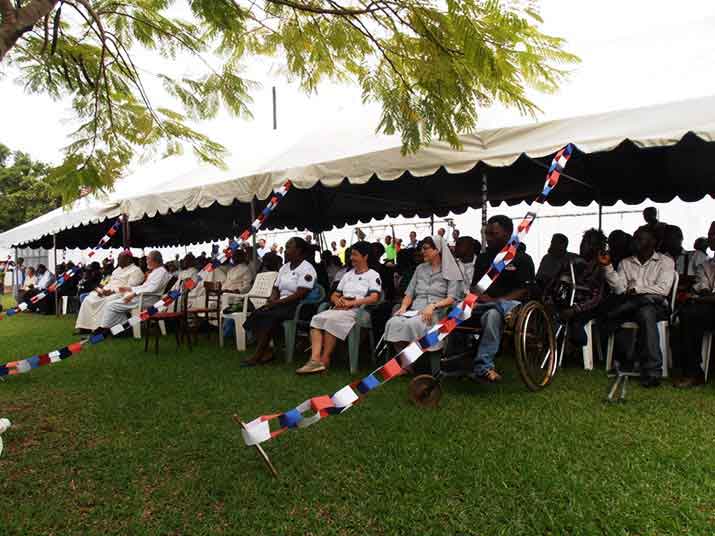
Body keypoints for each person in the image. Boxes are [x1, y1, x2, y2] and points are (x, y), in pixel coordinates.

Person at [601, 227, 675, 387]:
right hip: (633, 306)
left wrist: (637, 290)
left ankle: (619, 312)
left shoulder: (665, 262)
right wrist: (607, 267)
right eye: (635, 238)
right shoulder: (625, 263)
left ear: (653, 242)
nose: (635, 241)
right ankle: (653, 371)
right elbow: (620, 289)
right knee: (643, 309)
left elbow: (663, 290)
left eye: (640, 238)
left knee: (646, 308)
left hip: (657, 306)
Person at [296, 241, 381, 374]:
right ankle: (314, 359)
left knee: (331, 321)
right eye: (351, 254)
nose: (351, 257)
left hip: (358, 311)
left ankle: (324, 359)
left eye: (355, 254)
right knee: (316, 319)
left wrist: (352, 303)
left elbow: (374, 297)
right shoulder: (347, 275)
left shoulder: (373, 275)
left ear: (365, 257)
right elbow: (334, 294)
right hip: (340, 309)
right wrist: (337, 300)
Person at [466, 215, 532, 383]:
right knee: (457, 310)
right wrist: (486, 299)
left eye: (493, 234)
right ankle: (450, 361)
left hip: (514, 306)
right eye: (486, 233)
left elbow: (524, 289)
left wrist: (498, 301)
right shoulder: (483, 258)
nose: (488, 238)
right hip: (486, 303)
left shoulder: (522, 258)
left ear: (508, 233)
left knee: (493, 315)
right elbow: (475, 287)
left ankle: (484, 367)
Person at [241, 237, 317, 366]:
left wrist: (276, 303)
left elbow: (300, 293)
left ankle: (257, 355)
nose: (285, 251)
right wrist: (272, 299)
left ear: (298, 251)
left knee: (269, 316)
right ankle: (268, 351)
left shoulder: (307, 269)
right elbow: (276, 287)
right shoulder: (284, 267)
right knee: (258, 313)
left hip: (298, 306)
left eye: (288, 247)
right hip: (281, 304)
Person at [383, 236, 461, 353]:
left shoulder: (451, 269)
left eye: (425, 248)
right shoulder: (420, 268)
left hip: (438, 312)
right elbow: (409, 293)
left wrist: (433, 306)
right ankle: (406, 364)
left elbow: (452, 298)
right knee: (393, 322)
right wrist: (403, 307)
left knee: (414, 323)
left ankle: (413, 361)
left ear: (437, 250)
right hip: (415, 310)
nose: (422, 251)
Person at [674, 222, 715, 387]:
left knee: (695, 306)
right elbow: (702, 288)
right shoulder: (706, 264)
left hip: (709, 304)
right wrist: (703, 296)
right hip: (710, 308)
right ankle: (693, 373)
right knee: (688, 314)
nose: (711, 237)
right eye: (710, 234)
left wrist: (701, 297)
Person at [549, 229, 607, 347]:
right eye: (582, 242)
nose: (582, 246)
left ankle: (576, 340)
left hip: (589, 307)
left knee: (576, 321)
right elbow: (559, 281)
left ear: (594, 247)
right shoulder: (575, 262)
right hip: (569, 301)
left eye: (585, 243)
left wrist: (575, 309)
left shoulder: (601, 267)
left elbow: (596, 298)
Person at [95, 250, 171, 335]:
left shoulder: (160, 272)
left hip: (147, 300)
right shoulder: (157, 271)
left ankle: (103, 330)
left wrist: (133, 293)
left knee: (111, 305)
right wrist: (130, 289)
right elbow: (145, 287)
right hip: (144, 298)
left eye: (148, 259)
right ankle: (121, 330)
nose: (146, 262)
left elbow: (151, 289)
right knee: (114, 306)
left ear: (155, 260)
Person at [75, 252, 145, 332]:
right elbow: (110, 283)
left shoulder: (136, 271)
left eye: (120, 259)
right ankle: (85, 327)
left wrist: (112, 291)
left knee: (106, 301)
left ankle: (102, 327)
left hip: (122, 294)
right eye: (118, 258)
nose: (118, 261)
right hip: (108, 292)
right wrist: (102, 290)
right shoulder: (117, 270)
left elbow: (130, 288)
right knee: (88, 299)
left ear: (128, 259)